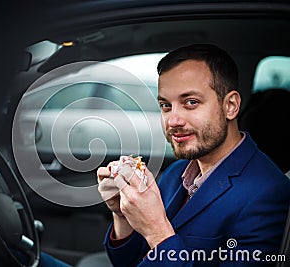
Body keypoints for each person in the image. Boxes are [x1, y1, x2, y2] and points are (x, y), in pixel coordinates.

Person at [97, 43, 290, 266]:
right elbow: (132, 262)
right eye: (166, 105)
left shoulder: (269, 194)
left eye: (191, 102)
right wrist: (123, 215)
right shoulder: (175, 172)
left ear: (230, 106)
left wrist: (157, 231)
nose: (173, 120)